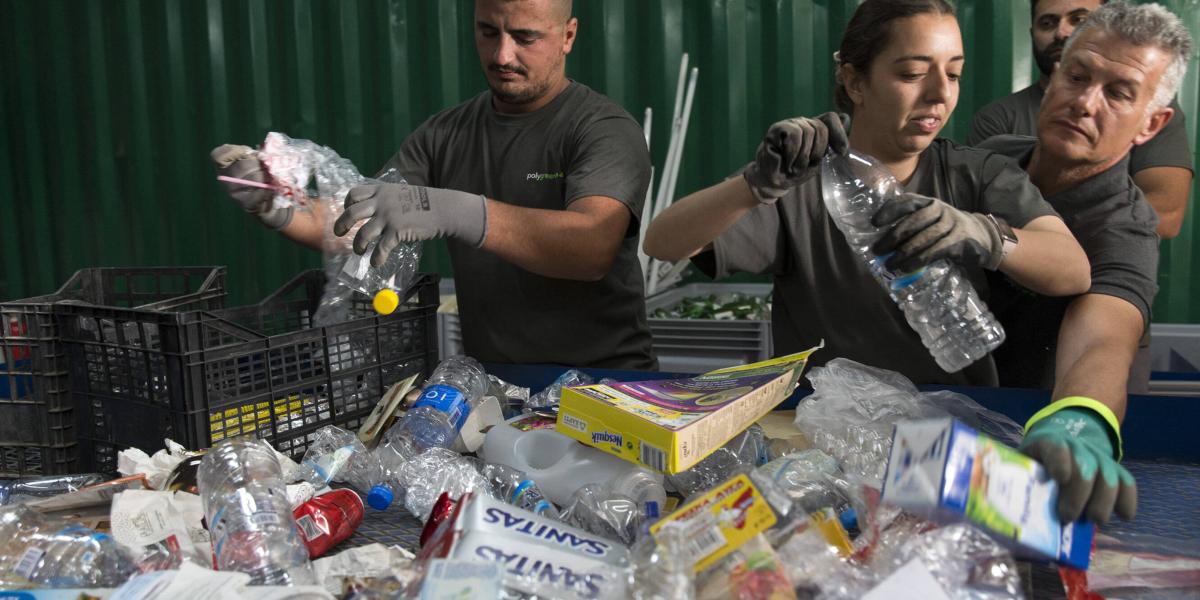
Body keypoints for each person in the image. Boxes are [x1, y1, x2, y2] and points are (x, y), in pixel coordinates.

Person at [643, 0, 1090, 388]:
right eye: (913, 73)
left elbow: (1072, 271)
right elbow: (662, 242)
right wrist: (754, 186)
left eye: (953, 74)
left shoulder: (976, 175)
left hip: (952, 417)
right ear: (855, 82)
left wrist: (983, 233)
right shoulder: (800, 184)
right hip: (826, 424)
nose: (939, 93)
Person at [212, 0, 657, 370]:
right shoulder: (446, 134)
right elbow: (358, 222)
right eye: (487, 32)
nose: (502, 56)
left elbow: (592, 248)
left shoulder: (602, 129)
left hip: (607, 387)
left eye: (525, 38)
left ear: (568, 36)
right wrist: (279, 205)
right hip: (496, 389)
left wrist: (457, 211)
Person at [982, 1, 1192, 525]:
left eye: (1119, 94)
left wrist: (1079, 419)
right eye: (1076, 77)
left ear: (1152, 124)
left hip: (1039, 440)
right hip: (954, 419)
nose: (1084, 103)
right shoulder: (985, 163)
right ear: (1053, 79)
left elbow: (1104, 337)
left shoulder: (1126, 227)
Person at [969, 0, 1194, 240]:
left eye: (1078, 20)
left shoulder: (1147, 112)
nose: (1062, 32)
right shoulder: (998, 129)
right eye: (1048, 23)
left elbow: (1166, 216)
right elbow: (979, 206)